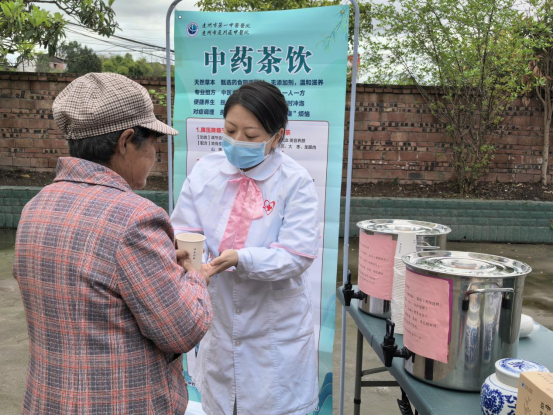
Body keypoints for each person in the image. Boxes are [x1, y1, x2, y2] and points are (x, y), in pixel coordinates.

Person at [13, 73, 213, 414]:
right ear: (126, 141)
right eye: (153, 143)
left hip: (48, 402)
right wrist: (196, 276)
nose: (155, 155)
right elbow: (182, 330)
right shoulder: (136, 218)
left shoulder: (36, 207)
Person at [171, 81, 320, 415]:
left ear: (277, 137)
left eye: (251, 135)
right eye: (230, 130)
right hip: (220, 318)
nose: (237, 141)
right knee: (221, 405)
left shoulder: (295, 181)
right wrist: (189, 256)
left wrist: (242, 258)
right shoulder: (206, 171)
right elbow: (183, 228)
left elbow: (296, 254)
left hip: (274, 331)